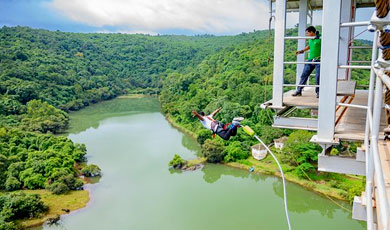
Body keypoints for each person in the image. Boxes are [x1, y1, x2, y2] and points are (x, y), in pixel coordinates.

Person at [292, 26, 322, 98]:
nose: (306, 34)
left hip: (319, 60)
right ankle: (299, 91)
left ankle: (318, 92)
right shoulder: (311, 39)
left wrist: (318, 36)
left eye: (307, 33)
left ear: (311, 32)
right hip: (310, 60)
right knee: (304, 75)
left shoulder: (320, 38)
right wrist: (301, 51)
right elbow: (309, 46)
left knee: (318, 77)